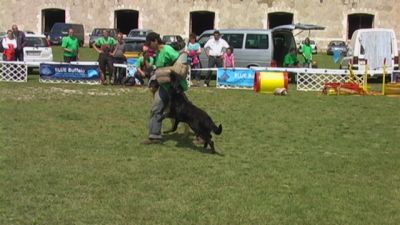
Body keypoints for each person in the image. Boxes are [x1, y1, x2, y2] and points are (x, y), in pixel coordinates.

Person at [142, 32, 188, 145]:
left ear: (155, 41)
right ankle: (154, 136)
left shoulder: (167, 49)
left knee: (187, 112)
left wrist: (173, 72)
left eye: (149, 43)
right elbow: (152, 69)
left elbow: (180, 62)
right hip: (163, 87)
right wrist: (145, 58)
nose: (148, 46)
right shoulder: (157, 53)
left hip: (174, 88)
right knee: (156, 109)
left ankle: (201, 134)